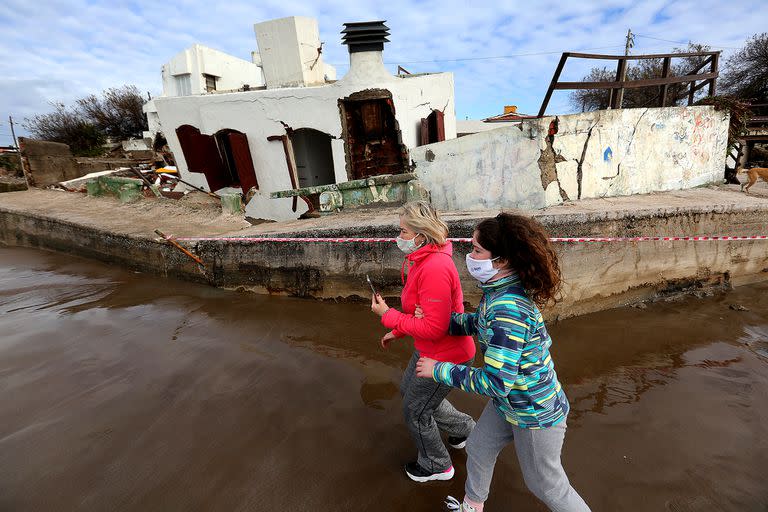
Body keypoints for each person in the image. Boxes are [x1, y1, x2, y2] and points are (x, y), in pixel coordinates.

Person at [414, 213, 590, 512]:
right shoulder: (498, 292)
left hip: (533, 412)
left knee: (546, 485)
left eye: (477, 250)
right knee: (479, 447)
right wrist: (445, 323)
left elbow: (496, 382)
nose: (469, 256)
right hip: (510, 403)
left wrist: (438, 370)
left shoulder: (507, 308)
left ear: (502, 260)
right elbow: (481, 323)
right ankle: (473, 505)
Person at [370, 201, 476, 483]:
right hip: (429, 350)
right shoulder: (421, 259)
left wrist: (388, 317)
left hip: (446, 356)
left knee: (415, 411)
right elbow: (422, 313)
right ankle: (464, 428)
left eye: (403, 231)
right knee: (411, 393)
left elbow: (433, 326)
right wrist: (400, 330)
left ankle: (437, 464)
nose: (399, 237)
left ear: (421, 233)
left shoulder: (435, 267)